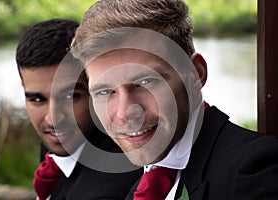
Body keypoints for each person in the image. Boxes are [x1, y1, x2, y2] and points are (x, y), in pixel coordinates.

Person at [70, 0, 278, 199]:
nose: (125, 113)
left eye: (145, 81)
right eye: (105, 92)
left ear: (196, 73)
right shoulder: (138, 187)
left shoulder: (256, 172)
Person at [16, 18, 142, 200]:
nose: (53, 120)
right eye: (37, 99)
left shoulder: (106, 190)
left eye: (70, 97)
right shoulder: (65, 138)